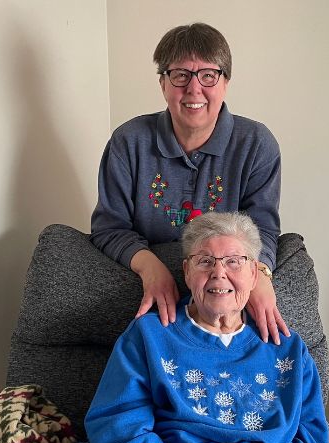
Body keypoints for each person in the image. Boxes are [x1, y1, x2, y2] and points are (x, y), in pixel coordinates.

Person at [56, 213, 329, 443]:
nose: (219, 273)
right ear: (187, 272)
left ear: (255, 274)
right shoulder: (150, 334)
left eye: (234, 261)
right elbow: (117, 426)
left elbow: (311, 438)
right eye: (205, 261)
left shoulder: (289, 350)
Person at [90, 22, 290, 345]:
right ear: (163, 83)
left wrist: (261, 274)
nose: (194, 89)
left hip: (223, 296)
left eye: (208, 75)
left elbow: (263, 227)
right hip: (154, 309)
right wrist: (149, 267)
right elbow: (108, 226)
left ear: (225, 82)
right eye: (180, 75)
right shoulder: (127, 143)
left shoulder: (257, 145)